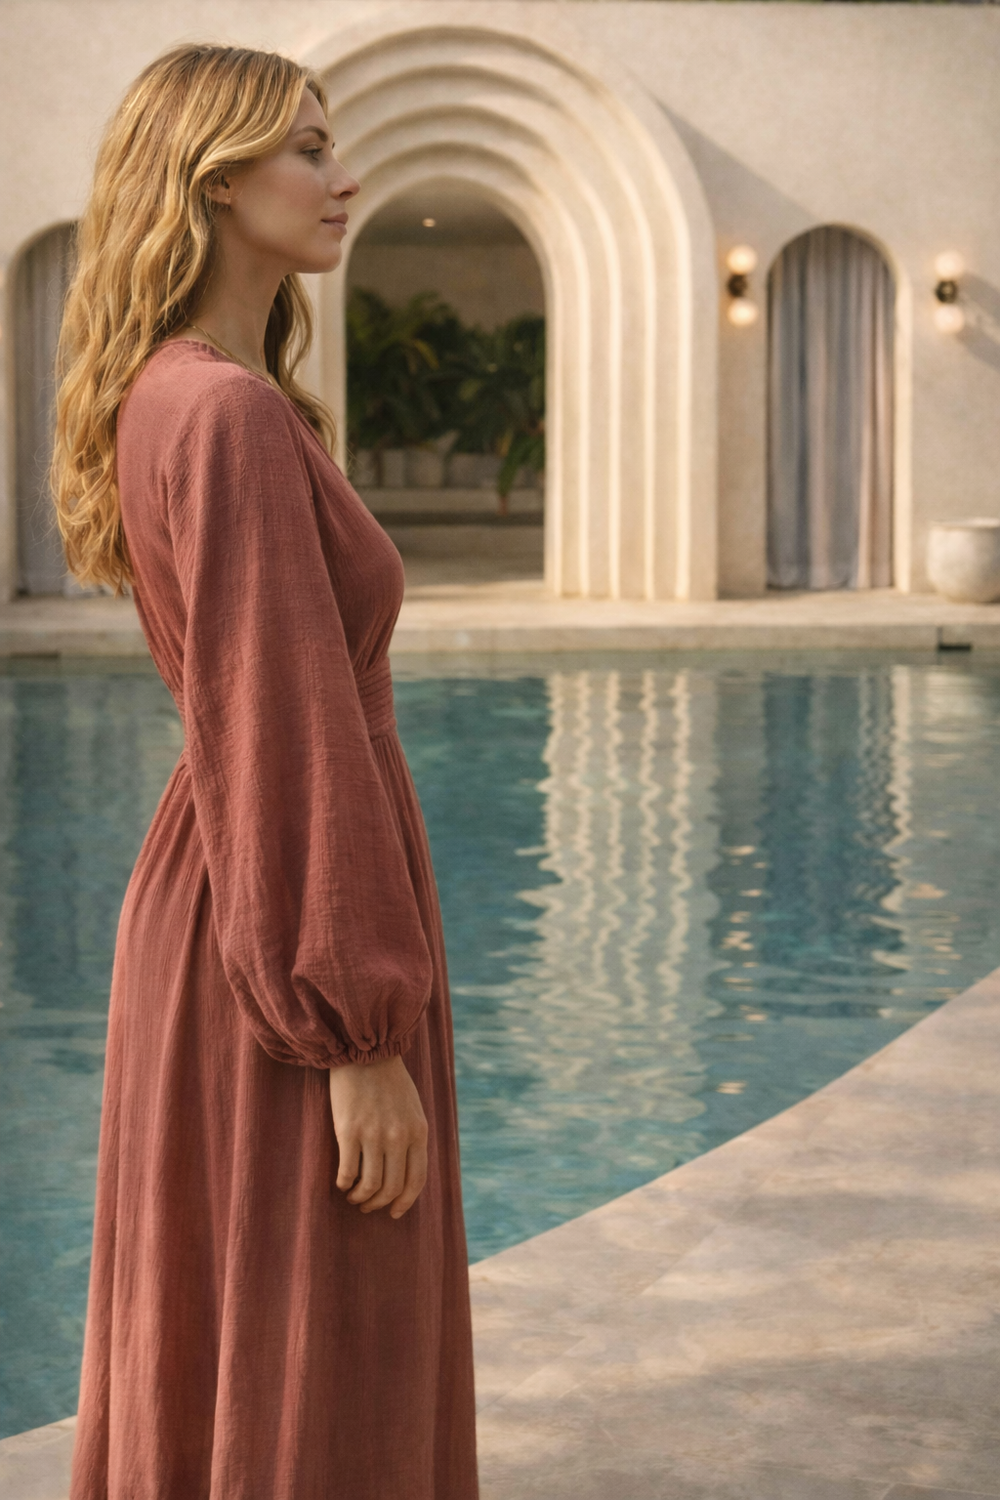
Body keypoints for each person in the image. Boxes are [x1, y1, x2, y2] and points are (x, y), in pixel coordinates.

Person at [51, 43, 478, 1500]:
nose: (342, 173)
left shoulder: (186, 393)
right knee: (325, 1341)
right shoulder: (226, 413)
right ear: (214, 182)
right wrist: (357, 1029)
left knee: (242, 1327)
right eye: (307, 147)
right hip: (285, 936)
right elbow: (287, 722)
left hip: (227, 896)